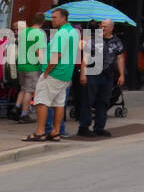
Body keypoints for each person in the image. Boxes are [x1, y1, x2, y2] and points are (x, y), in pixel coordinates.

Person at [24, 7, 76, 143]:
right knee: (58, 103)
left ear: (63, 18)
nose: (51, 20)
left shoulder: (62, 33)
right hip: (65, 74)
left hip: (54, 73)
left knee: (41, 101)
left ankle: (40, 132)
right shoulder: (73, 32)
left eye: (54, 17)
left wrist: (46, 72)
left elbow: (57, 55)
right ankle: (55, 132)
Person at [77, 19, 124, 138]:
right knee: (88, 100)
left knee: (103, 101)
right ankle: (83, 127)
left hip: (108, 75)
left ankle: (99, 127)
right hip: (92, 73)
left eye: (105, 27)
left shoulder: (116, 41)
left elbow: (120, 58)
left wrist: (122, 74)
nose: (102, 28)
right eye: (101, 26)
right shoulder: (94, 39)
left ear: (111, 28)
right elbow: (86, 57)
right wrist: (83, 73)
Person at [15, 13, 46, 123]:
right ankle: (24, 115)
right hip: (32, 65)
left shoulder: (24, 32)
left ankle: (16, 106)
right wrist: (44, 64)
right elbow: (39, 51)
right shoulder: (39, 33)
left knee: (23, 88)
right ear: (43, 21)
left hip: (21, 64)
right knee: (29, 90)